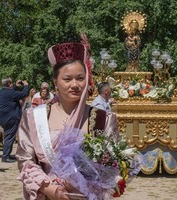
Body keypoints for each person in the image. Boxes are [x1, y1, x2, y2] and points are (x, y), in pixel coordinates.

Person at [16, 42, 118, 200]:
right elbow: (25, 160)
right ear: (56, 82)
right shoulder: (35, 117)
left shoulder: (103, 119)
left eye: (80, 78)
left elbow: (112, 163)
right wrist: (50, 189)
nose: (75, 85)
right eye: (67, 79)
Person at [0, 78, 29, 163]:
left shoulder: (2, 92)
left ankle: (7, 155)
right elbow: (24, 94)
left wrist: (16, 86)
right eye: (11, 83)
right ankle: (5, 156)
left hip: (3, 118)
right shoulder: (10, 93)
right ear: (9, 83)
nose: (12, 84)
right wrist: (26, 85)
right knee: (9, 137)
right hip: (11, 119)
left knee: (8, 137)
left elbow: (13, 94)